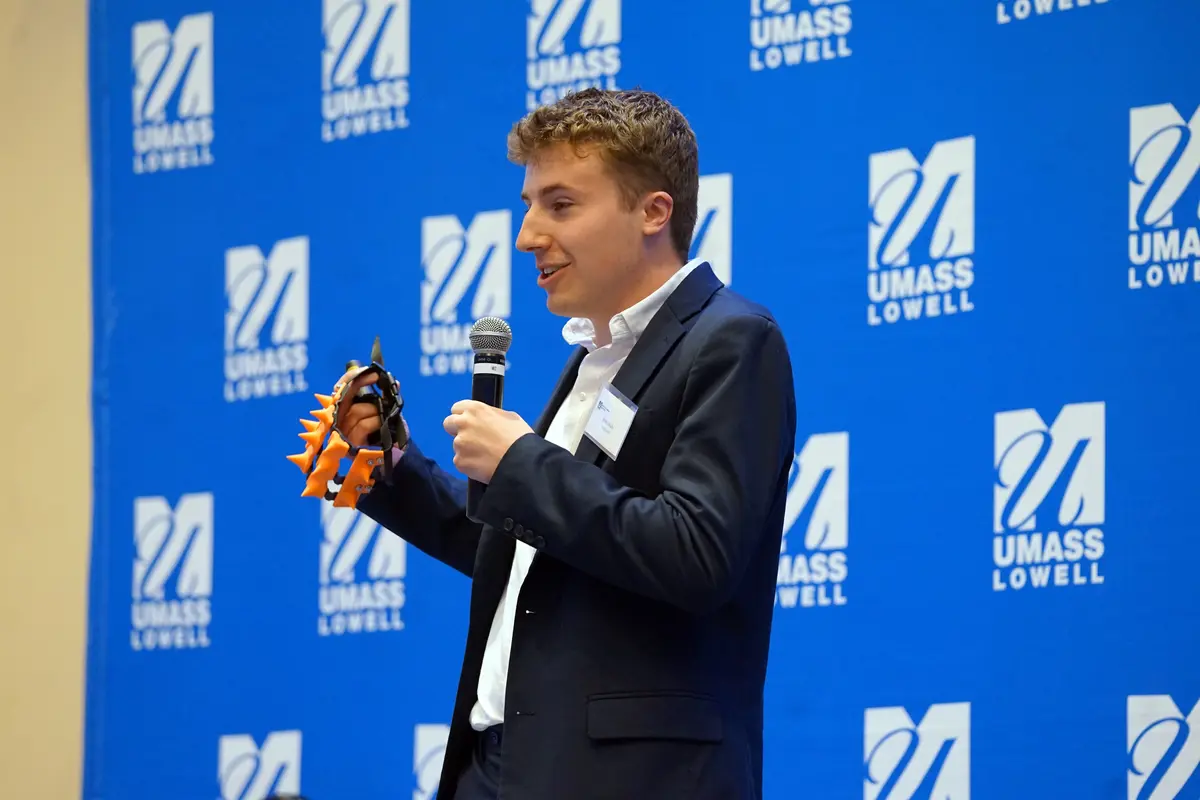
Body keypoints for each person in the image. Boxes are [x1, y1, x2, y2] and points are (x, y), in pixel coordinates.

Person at [336, 88, 796, 800]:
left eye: (560, 204)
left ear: (653, 211)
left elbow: (699, 554)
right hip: (500, 767)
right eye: (528, 205)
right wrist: (386, 463)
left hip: (631, 780)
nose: (526, 234)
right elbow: (529, 554)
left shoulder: (732, 340)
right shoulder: (594, 356)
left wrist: (522, 462)